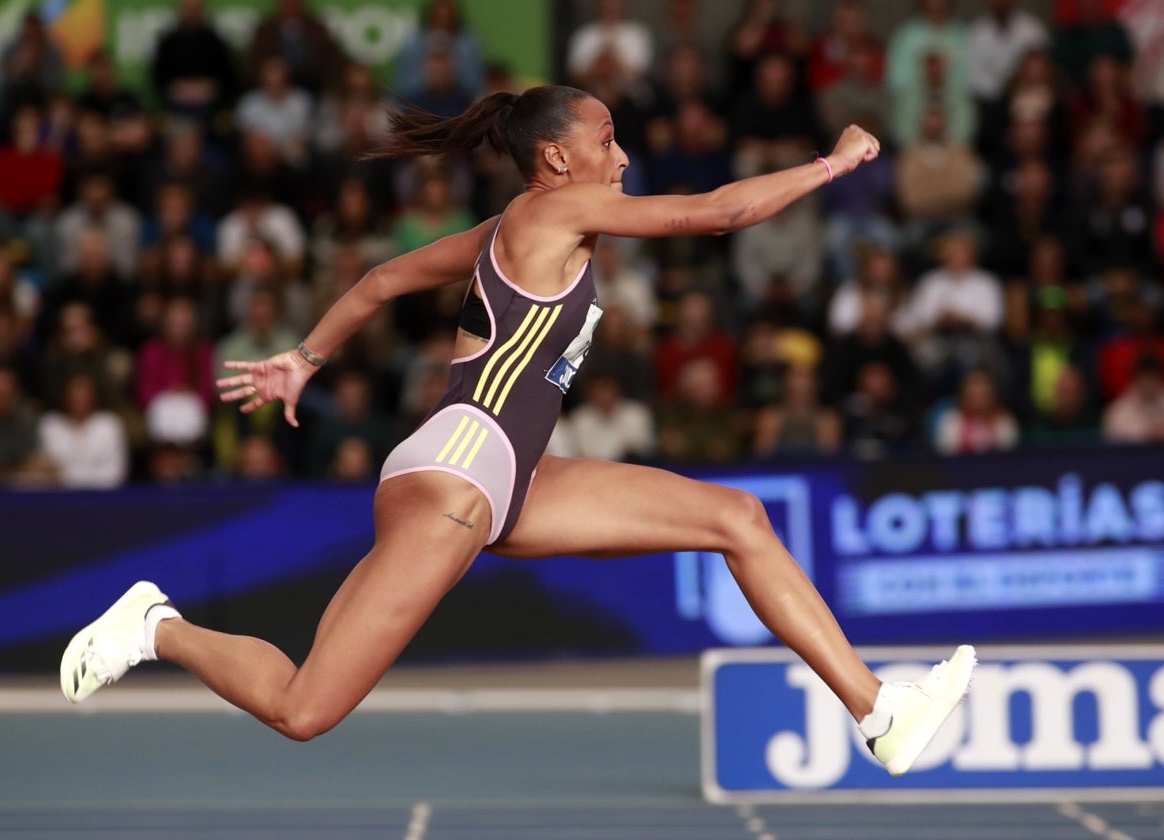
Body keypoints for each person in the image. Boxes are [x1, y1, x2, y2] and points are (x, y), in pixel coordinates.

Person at [60, 85, 974, 778]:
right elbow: (718, 212)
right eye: (606, 142)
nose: (621, 160)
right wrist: (833, 165)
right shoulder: (554, 211)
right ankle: (154, 625)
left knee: (737, 518)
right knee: (305, 710)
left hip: (507, 476)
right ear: (554, 160)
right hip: (460, 473)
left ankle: (877, 711)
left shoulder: (521, 224)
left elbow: (381, 280)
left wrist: (304, 356)